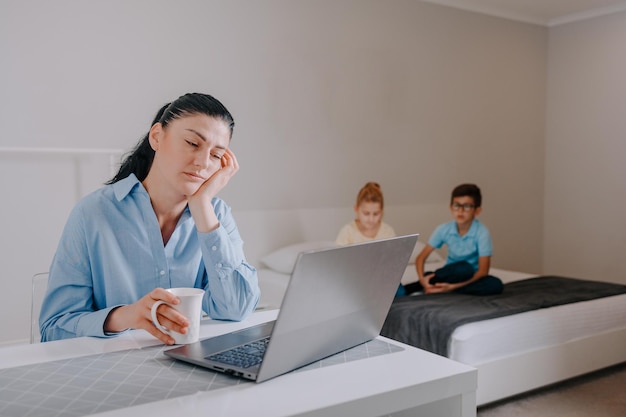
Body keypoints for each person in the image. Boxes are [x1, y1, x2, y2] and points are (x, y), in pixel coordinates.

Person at [39, 93, 260, 344]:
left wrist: (201, 207)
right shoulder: (93, 213)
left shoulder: (216, 214)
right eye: (192, 143)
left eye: (216, 155)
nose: (202, 163)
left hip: (192, 365)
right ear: (156, 136)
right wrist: (128, 316)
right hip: (112, 370)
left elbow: (237, 308)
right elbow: (53, 329)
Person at [405, 183, 503, 296]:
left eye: (466, 206)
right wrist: (423, 280)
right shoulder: (443, 229)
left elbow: (483, 271)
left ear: (477, 210)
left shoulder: (482, 232)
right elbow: (421, 258)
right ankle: (426, 283)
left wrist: (453, 287)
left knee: (495, 284)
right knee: (462, 269)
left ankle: (441, 287)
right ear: (451, 207)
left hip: (472, 276)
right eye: (457, 205)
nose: (460, 211)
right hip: (452, 272)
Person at [335, 182, 405, 296]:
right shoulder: (348, 231)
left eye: (376, 214)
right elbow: (339, 264)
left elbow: (393, 261)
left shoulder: (387, 231)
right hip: (356, 281)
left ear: (382, 211)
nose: (371, 219)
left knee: (400, 292)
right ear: (356, 209)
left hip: (382, 279)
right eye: (366, 213)